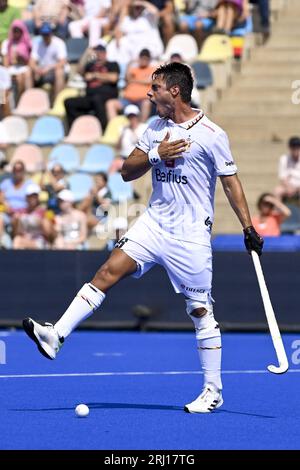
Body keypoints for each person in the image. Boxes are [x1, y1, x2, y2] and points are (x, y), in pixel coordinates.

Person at [23, 62, 263, 414]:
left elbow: (230, 182)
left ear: (175, 91)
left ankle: (213, 390)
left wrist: (248, 227)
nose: (149, 94)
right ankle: (56, 335)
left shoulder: (212, 134)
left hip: (190, 233)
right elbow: (125, 172)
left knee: (199, 311)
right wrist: (156, 154)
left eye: (156, 88)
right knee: (106, 272)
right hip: (153, 223)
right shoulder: (155, 129)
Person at [64, 44, 119, 130]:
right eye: (97, 53)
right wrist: (86, 54)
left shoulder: (112, 64)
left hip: (106, 96)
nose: (99, 55)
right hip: (90, 96)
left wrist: (95, 75)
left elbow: (114, 78)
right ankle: (77, 128)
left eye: (101, 53)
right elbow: (79, 71)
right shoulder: (90, 66)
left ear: (105, 54)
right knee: (69, 102)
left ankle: (102, 129)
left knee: (97, 99)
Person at [106, 48, 156, 123]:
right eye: (142, 58)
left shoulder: (152, 69)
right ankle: (114, 127)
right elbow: (127, 78)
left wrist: (134, 80)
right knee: (110, 104)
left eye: (146, 59)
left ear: (149, 60)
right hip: (128, 99)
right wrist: (130, 63)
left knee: (146, 103)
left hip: (142, 100)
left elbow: (149, 81)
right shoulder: (134, 69)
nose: (143, 61)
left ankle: (141, 127)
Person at [30, 22, 67, 99]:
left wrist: (49, 68)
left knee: (59, 71)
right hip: (41, 70)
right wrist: (36, 69)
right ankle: (29, 99)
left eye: (47, 34)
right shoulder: (37, 43)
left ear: (51, 33)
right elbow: (32, 61)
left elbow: (62, 62)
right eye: (44, 34)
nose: (45, 36)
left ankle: (58, 101)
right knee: (28, 71)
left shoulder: (59, 43)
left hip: (53, 70)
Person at [12, 183, 52, 249]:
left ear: (38, 197)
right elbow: (15, 233)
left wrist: (40, 221)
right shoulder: (21, 211)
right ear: (26, 197)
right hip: (25, 238)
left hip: (40, 241)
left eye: (35, 196)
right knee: (17, 240)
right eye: (30, 196)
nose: (32, 199)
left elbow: (49, 234)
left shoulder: (44, 212)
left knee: (18, 242)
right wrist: (16, 221)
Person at [2, 20, 32, 97]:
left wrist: (21, 57)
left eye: (19, 31)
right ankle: (2, 103)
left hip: (23, 67)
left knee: (23, 76)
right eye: (15, 31)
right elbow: (5, 63)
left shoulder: (27, 43)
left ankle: (23, 100)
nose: (16, 33)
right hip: (10, 68)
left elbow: (29, 62)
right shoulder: (6, 43)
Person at [274, 136, 300, 202]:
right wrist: (289, 188)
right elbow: (283, 178)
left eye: (297, 147)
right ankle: (278, 212)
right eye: (293, 147)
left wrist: (297, 189)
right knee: (277, 191)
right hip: (288, 187)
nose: (295, 149)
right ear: (290, 148)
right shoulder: (284, 159)